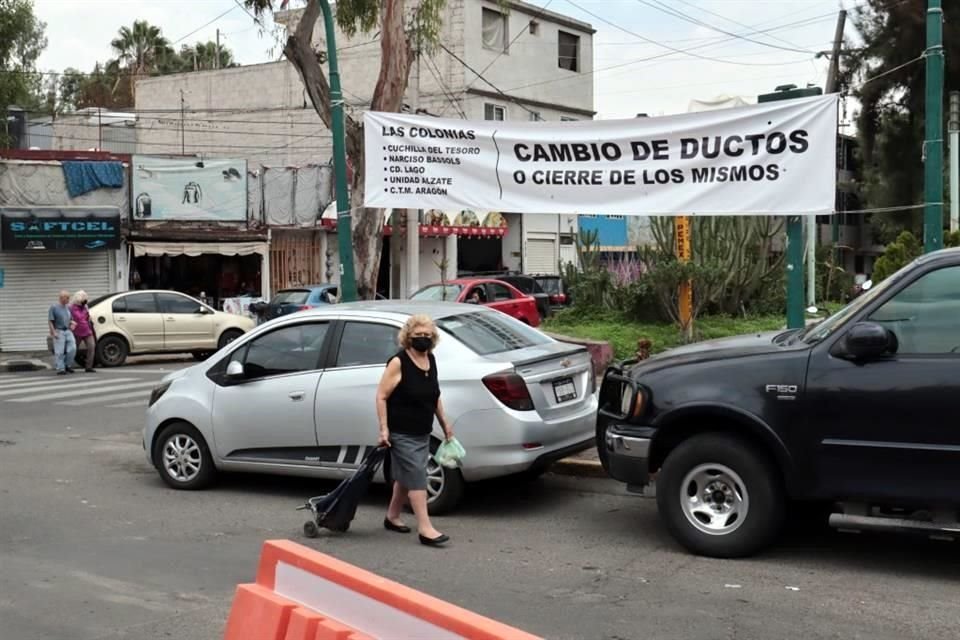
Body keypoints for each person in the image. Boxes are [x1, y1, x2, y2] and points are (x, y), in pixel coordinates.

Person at [376, 314, 454, 547]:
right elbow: (381, 396)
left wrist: (445, 424)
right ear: (408, 337)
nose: (423, 339)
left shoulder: (431, 359)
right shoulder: (398, 362)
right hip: (401, 432)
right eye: (418, 335)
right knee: (418, 476)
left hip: (422, 430)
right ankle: (425, 528)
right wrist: (384, 430)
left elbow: (435, 395)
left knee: (405, 475)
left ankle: (392, 516)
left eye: (427, 336)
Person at [48, 290, 77, 375]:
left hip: (68, 330)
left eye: (69, 297)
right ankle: (61, 368)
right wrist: (53, 332)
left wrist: (72, 323)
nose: (69, 299)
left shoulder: (68, 307)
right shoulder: (54, 307)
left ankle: (67, 365)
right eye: (67, 297)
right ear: (61, 298)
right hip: (58, 330)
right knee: (59, 351)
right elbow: (50, 321)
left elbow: (71, 319)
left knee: (72, 348)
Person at [70, 290, 96, 373]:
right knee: (73, 349)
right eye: (83, 300)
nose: (85, 302)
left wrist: (89, 317)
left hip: (87, 330)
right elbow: (79, 317)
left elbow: (87, 316)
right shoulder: (72, 307)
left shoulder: (85, 307)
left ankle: (89, 366)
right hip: (77, 331)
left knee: (92, 346)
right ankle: (67, 365)